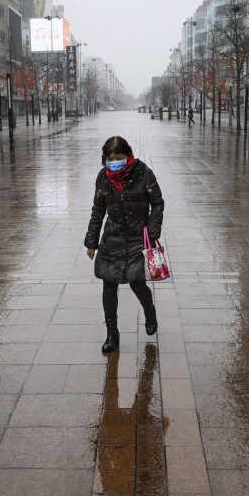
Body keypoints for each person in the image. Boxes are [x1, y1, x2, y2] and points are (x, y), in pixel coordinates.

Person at [85, 136, 165, 354]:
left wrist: (153, 229)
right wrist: (91, 241)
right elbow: (97, 210)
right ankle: (112, 333)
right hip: (112, 237)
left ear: (127, 155)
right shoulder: (103, 177)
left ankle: (149, 311)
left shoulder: (143, 173)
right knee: (108, 285)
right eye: (110, 158)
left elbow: (157, 203)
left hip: (138, 236)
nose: (114, 162)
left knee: (137, 283)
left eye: (118, 157)